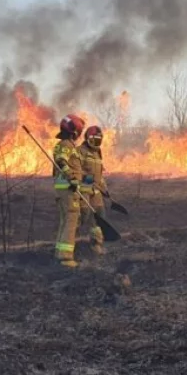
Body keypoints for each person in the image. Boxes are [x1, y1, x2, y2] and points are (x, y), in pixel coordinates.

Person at [52, 114, 86, 268]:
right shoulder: (66, 145)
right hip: (67, 189)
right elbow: (61, 161)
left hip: (62, 189)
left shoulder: (62, 144)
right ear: (74, 132)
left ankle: (59, 252)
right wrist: (72, 178)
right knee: (71, 220)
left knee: (65, 221)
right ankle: (66, 258)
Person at [78, 125, 108, 255]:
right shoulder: (80, 151)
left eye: (98, 140)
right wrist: (89, 180)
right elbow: (76, 171)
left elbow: (99, 174)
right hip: (83, 190)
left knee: (100, 217)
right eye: (93, 139)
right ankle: (68, 240)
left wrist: (104, 188)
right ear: (87, 139)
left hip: (96, 192)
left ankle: (96, 245)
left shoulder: (97, 153)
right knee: (82, 217)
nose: (96, 143)